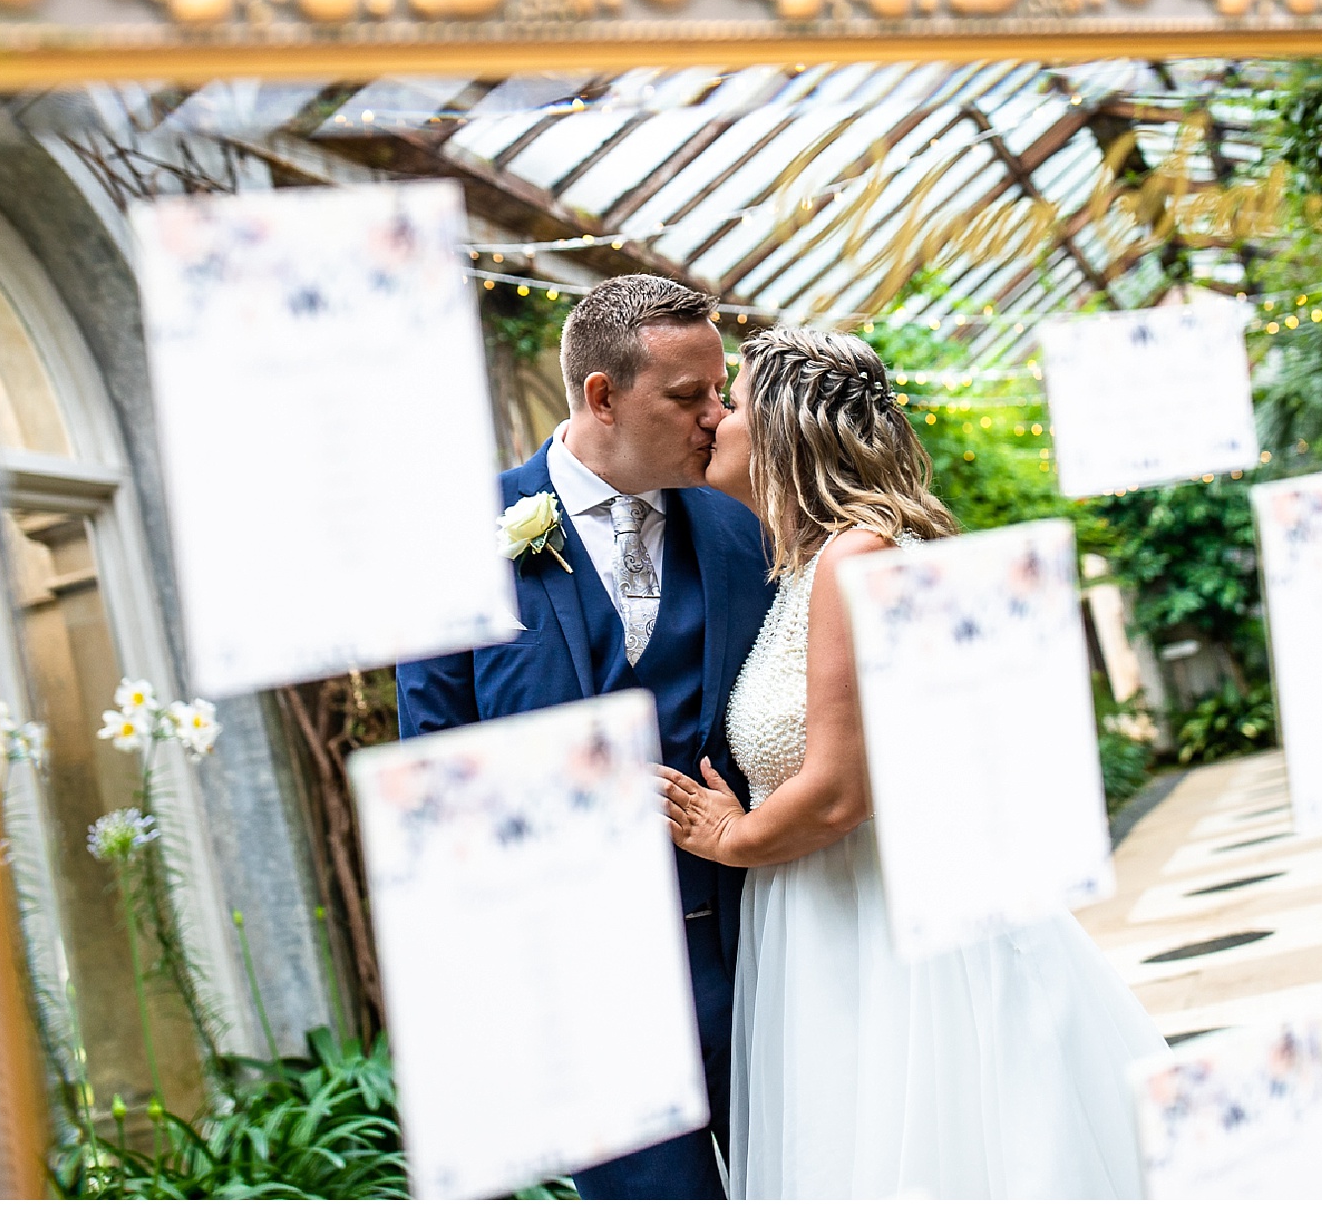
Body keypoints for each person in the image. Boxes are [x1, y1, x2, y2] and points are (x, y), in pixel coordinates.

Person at [657, 326, 1171, 1199]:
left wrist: (730, 838)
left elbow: (840, 791)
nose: (713, 419)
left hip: (885, 923)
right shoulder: (821, 562)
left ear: (782, 430)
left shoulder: (856, 558)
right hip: (837, 911)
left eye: (732, 402)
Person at [396, 275, 774, 1201]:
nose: (717, 420)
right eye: (690, 398)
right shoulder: (458, 540)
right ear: (602, 396)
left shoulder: (740, 527)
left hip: (758, 946)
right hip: (582, 979)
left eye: (720, 394)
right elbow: (434, 771)